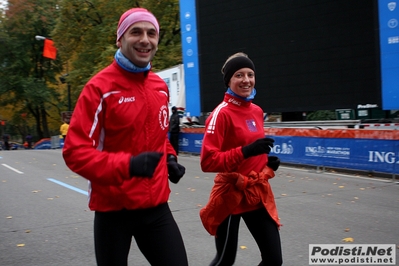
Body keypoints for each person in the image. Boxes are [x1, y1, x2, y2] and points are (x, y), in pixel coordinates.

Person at [62, 7, 188, 266]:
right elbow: (74, 152)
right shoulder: (99, 87)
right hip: (113, 210)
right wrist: (128, 166)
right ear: (120, 39)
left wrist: (170, 159)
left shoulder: (159, 87)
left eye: (151, 33)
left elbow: (158, 136)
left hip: (155, 207)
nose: (145, 39)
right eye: (136, 32)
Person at [199, 52, 283, 266]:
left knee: (274, 259)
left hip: (255, 190)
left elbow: (253, 151)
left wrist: (266, 164)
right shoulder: (221, 113)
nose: (246, 80)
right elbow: (207, 161)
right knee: (225, 260)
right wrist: (246, 151)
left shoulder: (256, 110)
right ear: (229, 80)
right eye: (239, 75)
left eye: (250, 74)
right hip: (230, 193)